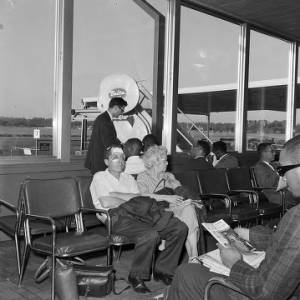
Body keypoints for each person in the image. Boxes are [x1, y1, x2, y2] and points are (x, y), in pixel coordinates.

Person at [167, 135, 300, 300]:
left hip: (257, 291)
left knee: (186, 272)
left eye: (282, 170)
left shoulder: (297, 218)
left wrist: (235, 263)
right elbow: (289, 243)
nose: (284, 178)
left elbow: (265, 292)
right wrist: (252, 236)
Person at [90, 145, 188, 294]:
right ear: (106, 161)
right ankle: (136, 276)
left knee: (179, 228)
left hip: (139, 213)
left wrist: (117, 195)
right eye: (115, 157)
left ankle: (164, 270)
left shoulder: (128, 178)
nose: (120, 160)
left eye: (123, 157)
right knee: (150, 234)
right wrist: (131, 199)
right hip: (116, 217)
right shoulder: (99, 176)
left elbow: (141, 199)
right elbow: (107, 202)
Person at [137, 145, 201, 259]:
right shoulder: (142, 177)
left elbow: (180, 190)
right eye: (164, 161)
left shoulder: (168, 175)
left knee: (189, 209)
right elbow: (143, 196)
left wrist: (175, 185)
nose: (167, 163)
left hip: (173, 208)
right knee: (187, 215)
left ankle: (194, 255)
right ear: (153, 163)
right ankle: (193, 257)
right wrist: (166, 198)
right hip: (155, 211)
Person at [85, 97, 128, 175]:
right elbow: (109, 143)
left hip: (97, 160)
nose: (122, 113)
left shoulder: (103, 118)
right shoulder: (105, 121)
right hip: (100, 161)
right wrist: (124, 147)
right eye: (122, 110)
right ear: (115, 108)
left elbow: (108, 138)